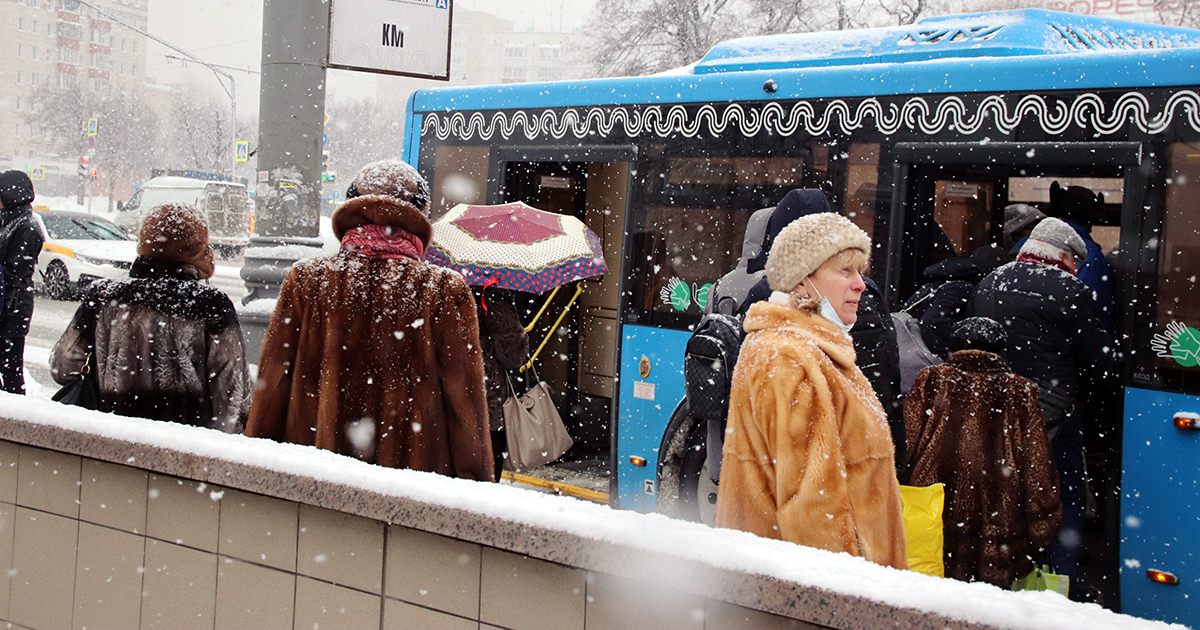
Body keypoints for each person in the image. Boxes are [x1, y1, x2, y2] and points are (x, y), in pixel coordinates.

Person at [245, 159, 494, 481]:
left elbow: (272, 387)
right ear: (420, 213)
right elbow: (464, 405)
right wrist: (475, 483)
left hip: (312, 482)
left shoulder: (307, 281)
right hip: (411, 489)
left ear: (352, 207)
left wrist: (254, 472)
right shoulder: (443, 290)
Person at [716, 212, 907, 569]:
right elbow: (813, 512)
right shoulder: (790, 359)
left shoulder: (813, 351)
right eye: (845, 271)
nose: (861, 284)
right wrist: (859, 600)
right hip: (822, 599)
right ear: (803, 280)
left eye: (860, 271)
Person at [970, 217, 1113, 578]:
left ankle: (1001, 570)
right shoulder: (1071, 291)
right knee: (1065, 498)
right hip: (1054, 419)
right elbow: (1098, 365)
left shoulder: (991, 281)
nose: (1077, 271)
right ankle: (1055, 579)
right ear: (1063, 256)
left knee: (1004, 497)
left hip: (994, 413)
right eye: (1076, 263)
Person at [738, 190, 906, 478]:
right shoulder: (866, 294)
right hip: (865, 458)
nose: (859, 285)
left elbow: (748, 399)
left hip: (818, 470)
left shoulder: (769, 296)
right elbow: (889, 375)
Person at [50, 202, 250, 431]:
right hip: (184, 450)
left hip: (111, 440)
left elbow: (62, 366)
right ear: (196, 248)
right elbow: (233, 399)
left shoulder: (105, 295)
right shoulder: (210, 304)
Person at [905, 317, 1062, 588]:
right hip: (998, 521)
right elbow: (1037, 463)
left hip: (936, 510)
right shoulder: (1020, 390)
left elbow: (908, 442)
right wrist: (1042, 522)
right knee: (986, 606)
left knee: (929, 595)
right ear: (1001, 349)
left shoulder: (932, 379)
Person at [474, 284, 530, 481]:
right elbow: (512, 355)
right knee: (486, 478)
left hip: (446, 398)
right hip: (486, 400)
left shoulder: (441, 287)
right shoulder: (492, 295)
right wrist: (522, 339)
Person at [0, 170, 44, 395]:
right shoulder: (7, 222)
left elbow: (15, 271)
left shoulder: (27, 226)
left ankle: (15, 415)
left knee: (11, 367)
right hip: (6, 302)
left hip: (14, 307)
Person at [901, 257, 983, 359]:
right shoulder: (961, 288)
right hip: (923, 360)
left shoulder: (932, 286)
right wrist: (952, 358)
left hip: (908, 357)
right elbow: (934, 323)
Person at [969, 203, 1045, 274]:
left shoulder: (1039, 255)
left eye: (1037, 228)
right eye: (1029, 228)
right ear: (1014, 230)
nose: (1034, 232)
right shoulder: (987, 254)